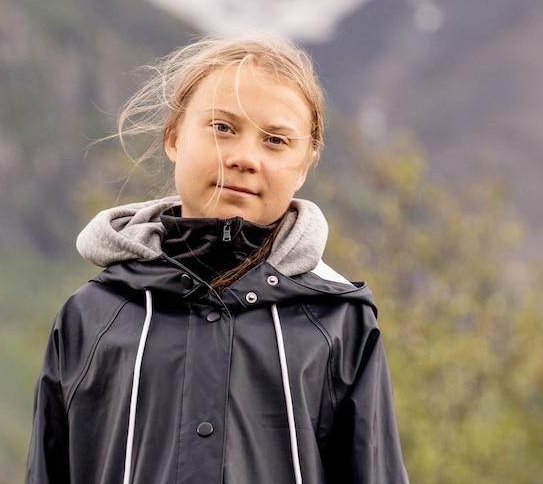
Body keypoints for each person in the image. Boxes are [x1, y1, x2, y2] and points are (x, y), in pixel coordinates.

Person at [24, 34, 408, 484]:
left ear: (305, 165)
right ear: (173, 137)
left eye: (276, 140)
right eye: (222, 127)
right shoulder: (90, 318)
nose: (245, 158)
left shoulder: (341, 322)